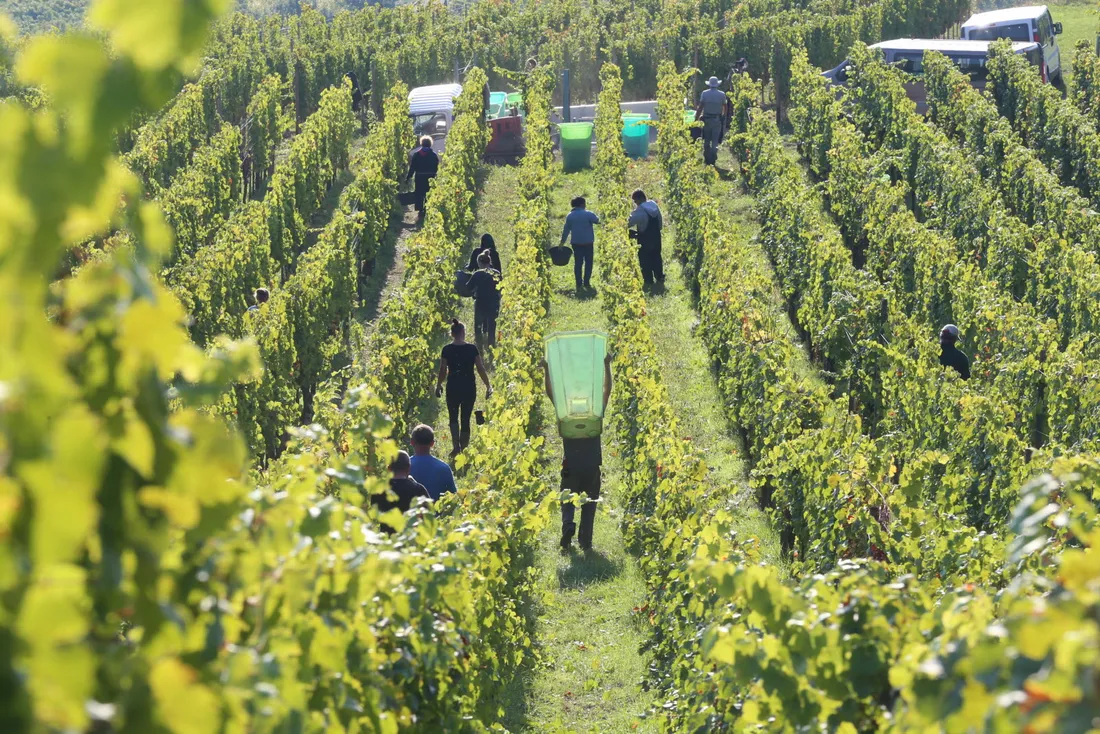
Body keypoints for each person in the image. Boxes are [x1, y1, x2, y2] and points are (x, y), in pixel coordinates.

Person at [545, 354, 613, 552]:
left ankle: (568, 525)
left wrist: (546, 370)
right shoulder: (594, 414)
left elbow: (550, 393)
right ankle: (585, 541)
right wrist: (606, 365)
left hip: (570, 465)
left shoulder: (566, 414)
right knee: (589, 503)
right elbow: (607, 391)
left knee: (567, 497)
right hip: (592, 465)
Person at [436, 319, 493, 458]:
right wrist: (488, 385)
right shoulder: (471, 348)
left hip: (453, 386)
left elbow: (443, 369)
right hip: (468, 386)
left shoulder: (447, 349)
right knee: (465, 418)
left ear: (452, 334)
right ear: (463, 332)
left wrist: (438, 385)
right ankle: (463, 448)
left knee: (453, 417)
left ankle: (456, 446)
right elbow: (480, 368)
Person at [370, 450, 430, 533]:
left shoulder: (379, 490)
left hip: (387, 541)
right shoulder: (419, 489)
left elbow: (375, 515)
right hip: (412, 540)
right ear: (409, 467)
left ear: (389, 468)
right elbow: (428, 516)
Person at [560, 196, 601, 293]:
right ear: (582, 204)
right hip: (588, 242)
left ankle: (578, 283)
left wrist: (562, 242)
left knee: (578, 263)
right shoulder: (588, 214)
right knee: (588, 262)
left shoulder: (570, 216)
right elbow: (597, 221)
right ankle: (586, 282)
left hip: (576, 243)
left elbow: (566, 230)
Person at [409, 424, 458, 500]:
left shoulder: (405, 466)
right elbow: (454, 496)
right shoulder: (444, 468)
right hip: (437, 511)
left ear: (412, 442)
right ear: (432, 443)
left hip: (411, 511)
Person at [628, 189, 664, 287]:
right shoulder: (654, 205)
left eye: (635, 201)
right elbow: (660, 223)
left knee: (645, 260)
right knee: (657, 257)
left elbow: (629, 223)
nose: (635, 204)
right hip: (656, 237)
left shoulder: (640, 210)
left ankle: (649, 281)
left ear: (639, 199)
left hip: (645, 238)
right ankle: (659, 277)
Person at [466, 251, 502, 348]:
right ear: (489, 262)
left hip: (480, 303)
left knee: (478, 325)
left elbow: (468, 287)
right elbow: (502, 288)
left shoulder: (477, 274)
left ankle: (479, 345)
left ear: (479, 263)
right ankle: (492, 344)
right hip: (493, 303)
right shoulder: (496, 273)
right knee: (492, 325)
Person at [696, 76, 728, 166]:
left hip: (706, 120)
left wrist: (696, 118)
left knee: (706, 139)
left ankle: (707, 158)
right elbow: (725, 106)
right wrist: (723, 116)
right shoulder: (722, 94)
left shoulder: (704, 94)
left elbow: (700, 107)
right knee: (715, 140)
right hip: (717, 120)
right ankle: (713, 157)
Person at [407, 136, 439, 215]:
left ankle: (420, 209)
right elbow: (436, 167)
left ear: (422, 144)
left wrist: (409, 177)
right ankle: (427, 209)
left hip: (419, 177)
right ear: (430, 144)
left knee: (419, 193)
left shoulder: (417, 154)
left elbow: (412, 167)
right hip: (430, 177)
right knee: (428, 193)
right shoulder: (433, 155)